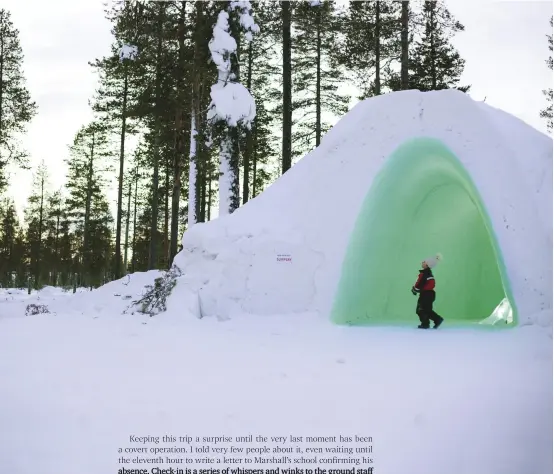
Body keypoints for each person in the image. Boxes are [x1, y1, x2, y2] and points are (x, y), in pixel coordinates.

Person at [411, 254, 444, 329]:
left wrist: (414, 289)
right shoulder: (429, 274)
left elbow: (419, 283)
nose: (422, 263)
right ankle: (436, 320)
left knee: (420, 309)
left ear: (427, 265)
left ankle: (426, 323)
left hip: (425, 294)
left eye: (424, 262)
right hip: (430, 294)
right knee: (427, 310)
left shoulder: (424, 274)